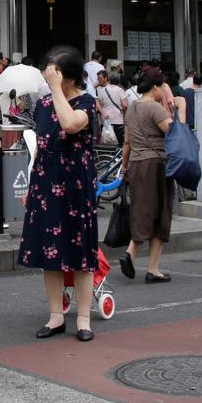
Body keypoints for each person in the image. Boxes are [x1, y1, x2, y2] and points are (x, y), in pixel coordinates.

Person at [18, 47, 99, 342]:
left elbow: (70, 124)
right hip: (45, 181)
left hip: (76, 186)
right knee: (48, 253)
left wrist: (55, 88)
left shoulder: (87, 103)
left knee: (81, 255)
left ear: (68, 74)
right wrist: (31, 186)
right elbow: (40, 146)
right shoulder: (43, 105)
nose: (48, 77)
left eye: (53, 71)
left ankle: (83, 319)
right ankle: (55, 317)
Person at [120, 68, 174, 284]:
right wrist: (179, 108)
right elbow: (174, 133)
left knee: (142, 209)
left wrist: (124, 169)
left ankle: (132, 253)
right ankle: (151, 267)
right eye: (163, 86)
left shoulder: (132, 108)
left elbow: (127, 143)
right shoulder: (155, 108)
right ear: (155, 87)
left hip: (136, 163)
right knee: (160, 212)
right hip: (156, 164)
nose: (164, 90)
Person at [96, 72, 126, 148]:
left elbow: (100, 105)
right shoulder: (120, 90)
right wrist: (123, 113)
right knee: (120, 143)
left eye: (100, 78)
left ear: (107, 78)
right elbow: (125, 105)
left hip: (106, 120)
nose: (98, 80)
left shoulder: (100, 90)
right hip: (118, 120)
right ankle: (118, 159)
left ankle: (109, 158)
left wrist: (102, 112)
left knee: (107, 144)